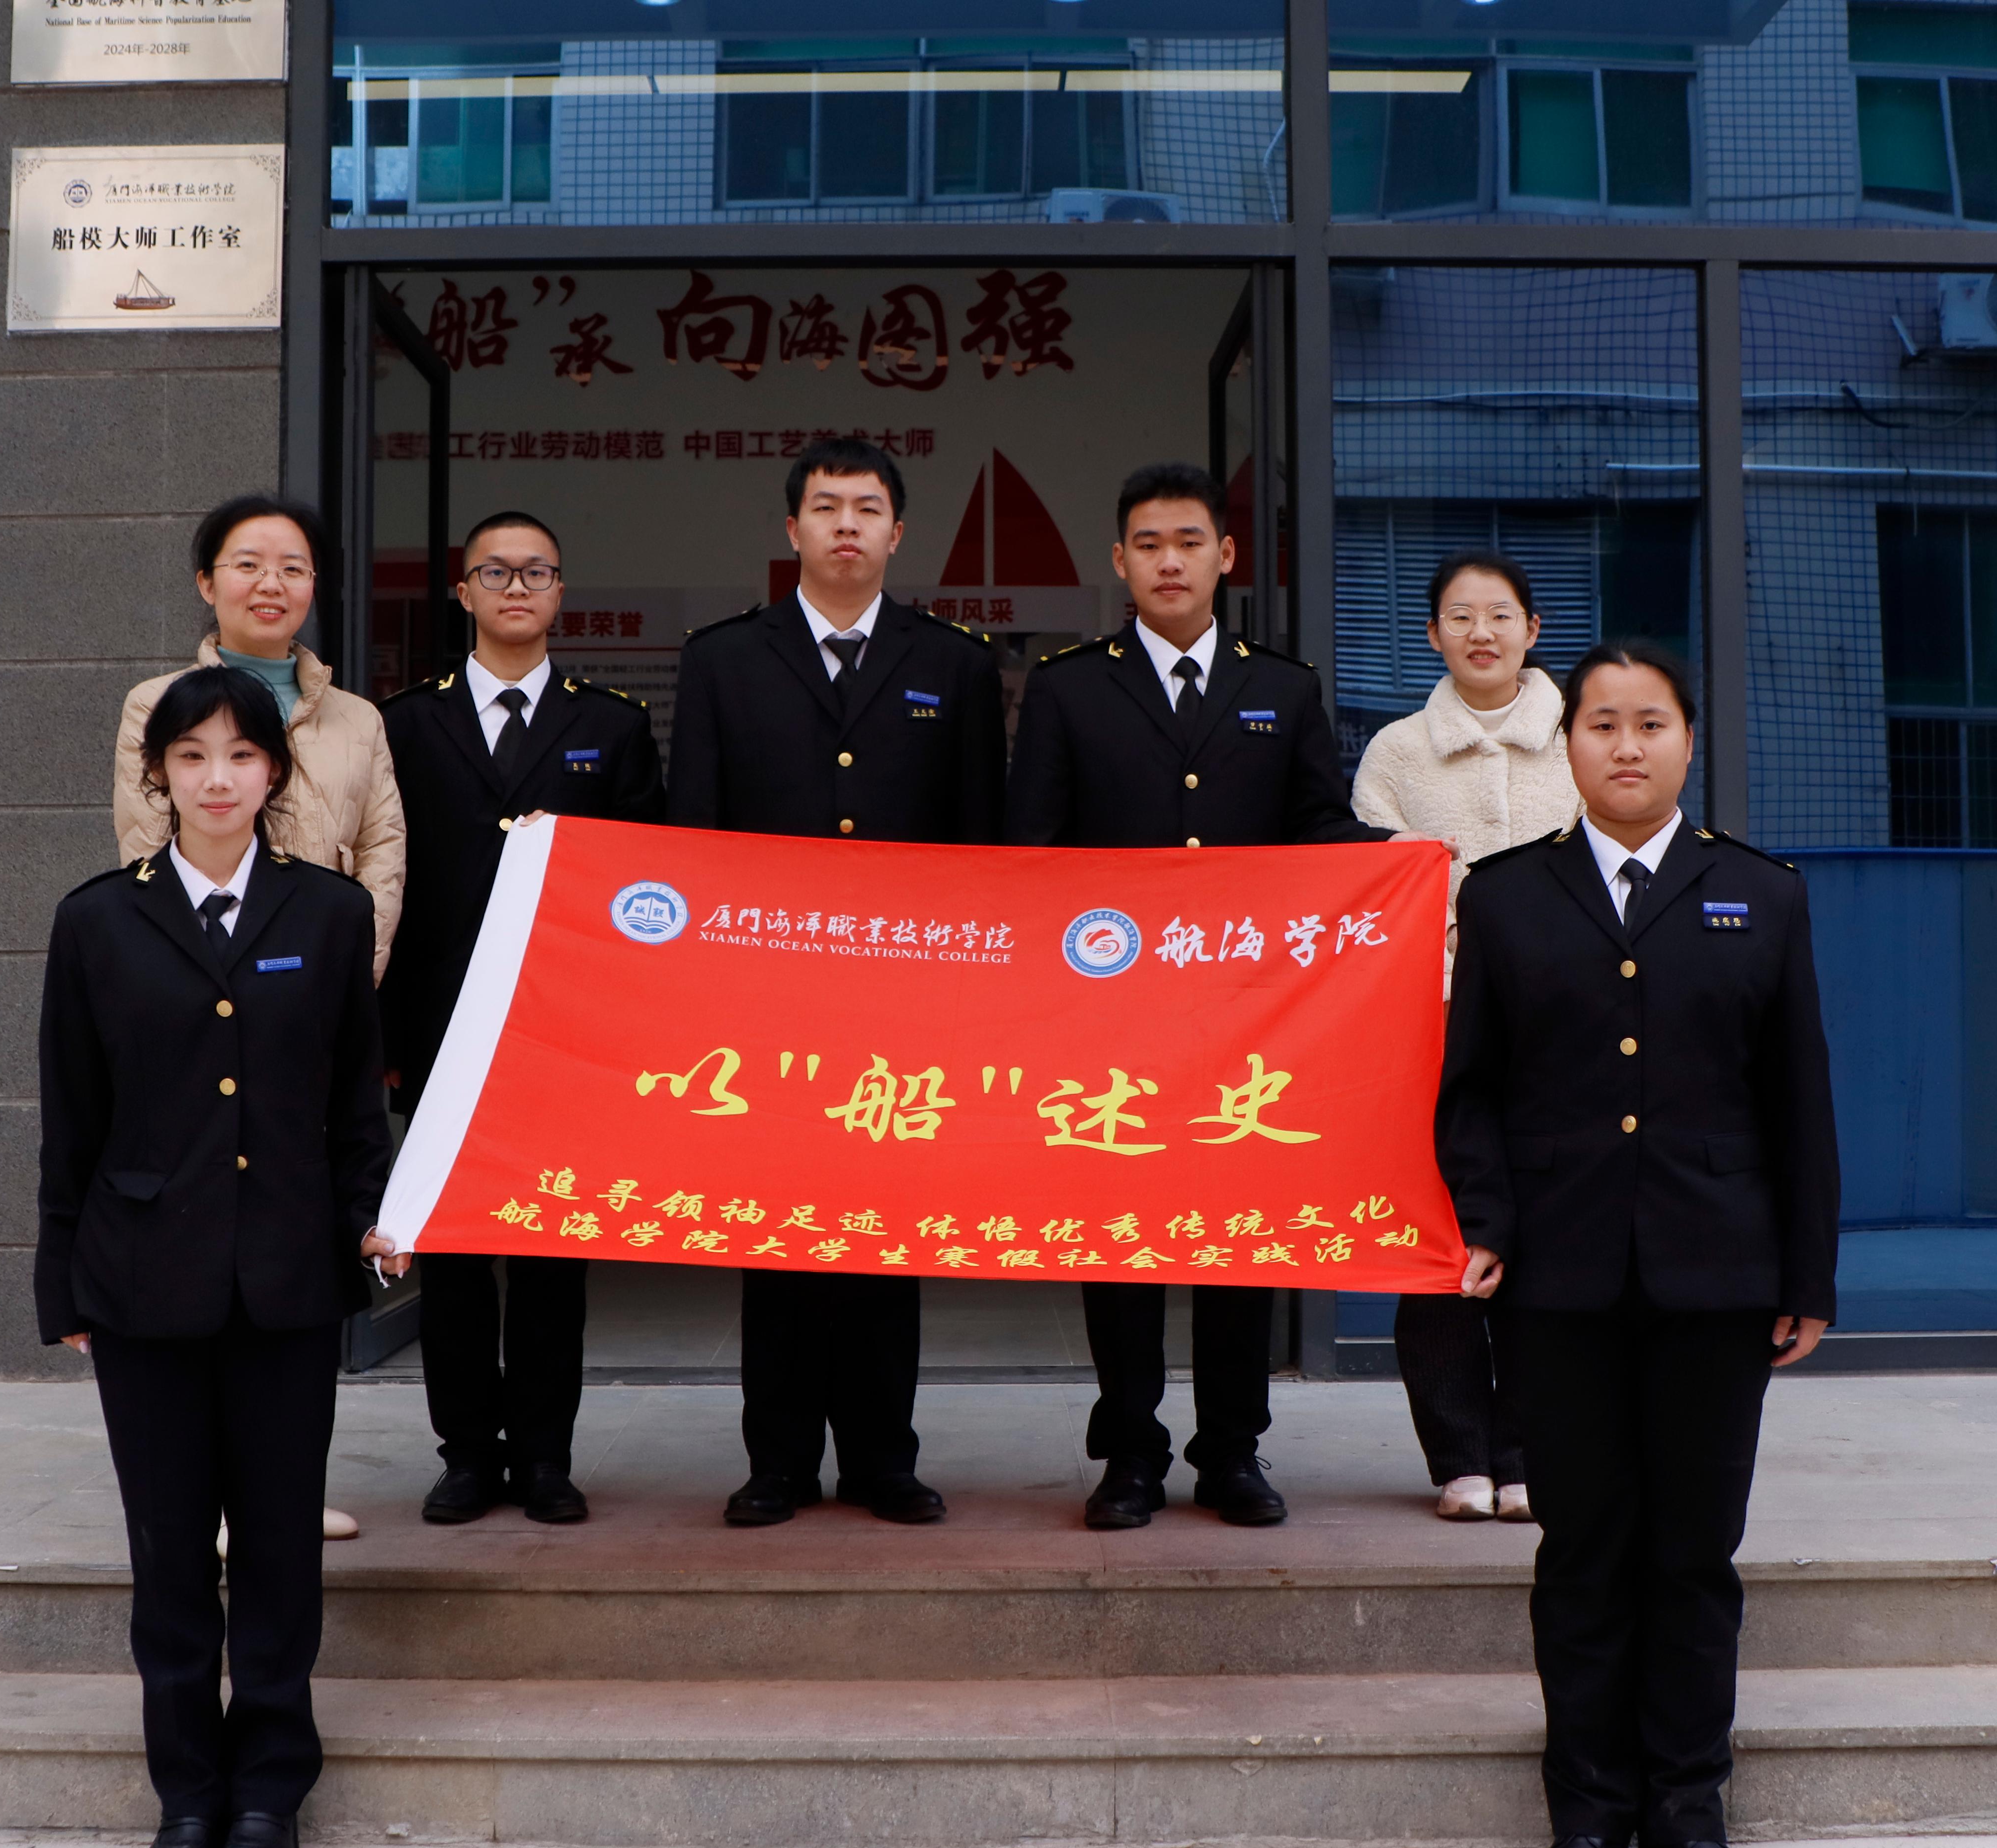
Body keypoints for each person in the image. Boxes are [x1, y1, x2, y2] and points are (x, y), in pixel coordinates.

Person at [1432, 639, 1839, 1848]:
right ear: (1568, 744)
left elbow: (1799, 1101)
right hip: (1558, 1278)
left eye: (1649, 722)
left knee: (1694, 1551)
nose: (1625, 744)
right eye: (1601, 722)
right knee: (1585, 1550)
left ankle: (1690, 1812)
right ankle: (1587, 1814)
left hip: (1719, 1277)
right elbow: (1469, 1090)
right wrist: (1487, 1221)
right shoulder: (1507, 896)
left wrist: (1807, 1274)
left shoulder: (1760, 893)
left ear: (1687, 742)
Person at [37, 664, 399, 1848]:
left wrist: (369, 1221)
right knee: (172, 1554)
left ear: (274, 773)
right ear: (159, 776)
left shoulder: (331, 913)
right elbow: (71, 1118)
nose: (217, 778)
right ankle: (187, 1797)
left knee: (282, 1551)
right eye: (191, 756)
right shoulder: (98, 921)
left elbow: (355, 1105)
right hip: (143, 1284)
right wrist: (63, 1284)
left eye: (241, 755)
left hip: (288, 1279)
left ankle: (268, 1795)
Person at [1007, 461, 1400, 1533]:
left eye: (1189, 541)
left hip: (1247, 1019)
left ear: (1227, 556)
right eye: (1148, 544)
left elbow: (1318, 831)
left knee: (1238, 1236)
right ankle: (1129, 1453)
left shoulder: (1284, 689)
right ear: (1120, 560)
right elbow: (1033, 853)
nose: (1169, 561)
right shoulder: (1069, 687)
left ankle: (1233, 1449)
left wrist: (1393, 859)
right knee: (1121, 1240)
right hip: (1112, 1019)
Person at [669, 435, 1004, 1529]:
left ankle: (881, 1458)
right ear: (793, 529)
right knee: (774, 1232)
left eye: (867, 508)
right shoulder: (725, 658)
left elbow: (980, 846)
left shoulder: (955, 663)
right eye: (826, 506)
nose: (846, 524)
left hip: (905, 1004)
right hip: (765, 999)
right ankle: (777, 1461)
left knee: (884, 1233)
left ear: (898, 533)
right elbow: (693, 836)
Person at [112, 492, 400, 1545]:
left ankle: (283, 1487)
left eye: (293, 566)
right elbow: (146, 842)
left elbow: (384, 854)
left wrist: (334, 979)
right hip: (199, 1005)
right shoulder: (157, 705)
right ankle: (208, 1492)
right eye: (247, 563)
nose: (270, 583)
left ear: (316, 586)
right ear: (208, 582)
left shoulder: (359, 719)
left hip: (313, 1007)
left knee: (300, 1237)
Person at [378, 510, 664, 1527]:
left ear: (560, 592)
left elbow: (648, 892)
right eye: (495, 573)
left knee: (550, 1256)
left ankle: (545, 1455)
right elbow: (388, 886)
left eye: (535, 572)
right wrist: (386, 1038)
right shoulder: (405, 725)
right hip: (442, 1028)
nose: (516, 588)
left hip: (563, 1033)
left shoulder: (612, 727)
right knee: (453, 1254)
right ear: (463, 592)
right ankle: (467, 1454)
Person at [1350, 550, 1583, 1525]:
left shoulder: (1583, 739)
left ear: (1534, 630)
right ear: (1432, 635)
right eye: (1459, 616)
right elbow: (1371, 892)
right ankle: (1459, 1457)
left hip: (1560, 1032)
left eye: (1500, 615)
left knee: (1547, 1244)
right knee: (1438, 1239)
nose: (1481, 632)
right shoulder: (1396, 753)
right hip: (1430, 1031)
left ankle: (1530, 1451)